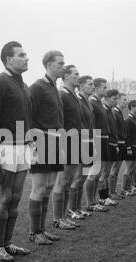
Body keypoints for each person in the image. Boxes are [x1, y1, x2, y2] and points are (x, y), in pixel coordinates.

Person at [0, 41, 32, 262]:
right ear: (8, 60)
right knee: (4, 198)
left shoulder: (22, 85)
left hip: (23, 147)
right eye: (21, 55)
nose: (26, 58)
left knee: (16, 197)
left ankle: (8, 242)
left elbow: (26, 118)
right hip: (5, 148)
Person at [28, 50, 65, 245]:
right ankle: (34, 232)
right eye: (60, 63)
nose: (63, 66)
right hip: (41, 141)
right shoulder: (37, 87)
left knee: (49, 187)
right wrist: (32, 140)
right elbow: (27, 115)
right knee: (39, 188)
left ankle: (42, 229)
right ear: (49, 64)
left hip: (55, 141)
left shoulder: (54, 88)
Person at [52, 65, 84, 231]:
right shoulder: (62, 95)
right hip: (66, 142)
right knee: (62, 181)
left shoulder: (74, 96)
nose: (79, 76)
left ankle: (63, 216)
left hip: (77, 141)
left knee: (68, 181)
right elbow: (59, 121)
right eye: (76, 74)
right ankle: (58, 219)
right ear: (65, 77)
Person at [83, 78, 112, 213]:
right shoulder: (92, 102)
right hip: (96, 138)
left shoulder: (99, 102)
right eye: (104, 87)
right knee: (93, 173)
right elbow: (90, 123)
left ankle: (95, 201)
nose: (106, 90)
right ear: (97, 88)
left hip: (103, 138)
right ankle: (90, 202)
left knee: (99, 172)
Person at [69, 75, 96, 216]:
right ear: (81, 86)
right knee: (78, 178)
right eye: (90, 84)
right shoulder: (78, 101)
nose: (93, 86)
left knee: (84, 177)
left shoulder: (88, 102)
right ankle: (72, 210)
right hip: (81, 141)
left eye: (93, 84)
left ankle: (78, 208)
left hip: (89, 141)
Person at [109, 92, 128, 198]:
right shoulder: (115, 113)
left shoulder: (119, 112)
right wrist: (116, 144)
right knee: (114, 169)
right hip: (117, 144)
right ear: (118, 100)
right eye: (124, 100)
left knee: (116, 169)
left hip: (121, 143)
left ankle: (113, 192)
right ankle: (111, 193)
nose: (126, 102)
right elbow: (114, 130)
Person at [121, 100, 136, 196]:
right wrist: (128, 148)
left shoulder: (134, 119)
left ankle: (128, 188)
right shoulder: (128, 120)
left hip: (135, 146)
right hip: (130, 147)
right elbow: (126, 135)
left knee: (132, 168)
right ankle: (124, 189)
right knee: (128, 169)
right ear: (132, 107)